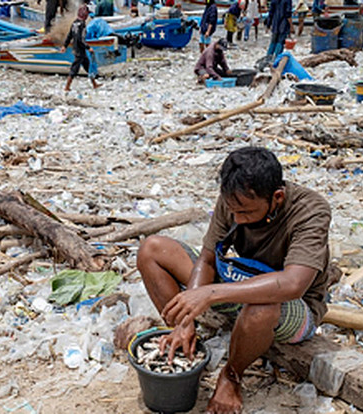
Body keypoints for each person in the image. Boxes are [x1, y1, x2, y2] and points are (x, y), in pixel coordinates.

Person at [137, 146, 339, 414]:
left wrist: (209, 294)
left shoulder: (310, 211)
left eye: (244, 213)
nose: (236, 219)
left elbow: (292, 284)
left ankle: (232, 375)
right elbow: (207, 260)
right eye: (232, 210)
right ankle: (186, 337)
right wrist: (186, 319)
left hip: (293, 305)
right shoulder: (234, 199)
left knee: (262, 305)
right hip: (242, 279)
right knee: (152, 249)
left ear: (277, 197)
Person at [61, 6, 101, 91]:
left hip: (76, 48)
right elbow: (81, 39)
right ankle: (67, 87)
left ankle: (94, 84)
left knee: (87, 66)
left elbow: (69, 35)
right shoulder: (82, 24)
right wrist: (88, 47)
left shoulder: (74, 23)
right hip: (80, 50)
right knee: (75, 68)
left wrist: (65, 45)